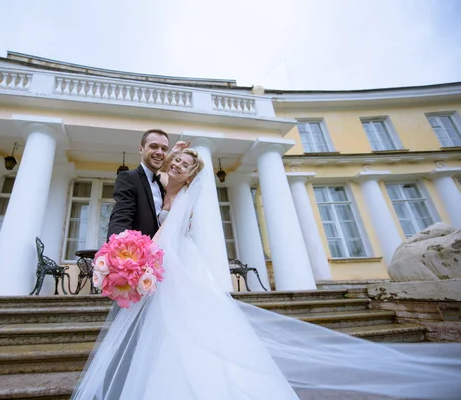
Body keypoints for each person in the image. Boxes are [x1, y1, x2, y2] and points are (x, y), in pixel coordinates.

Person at [74, 147, 461, 400]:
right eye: (176, 161)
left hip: (175, 261)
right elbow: (152, 175)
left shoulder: (185, 197)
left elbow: (165, 235)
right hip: (165, 261)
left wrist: (139, 258)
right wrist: (172, 154)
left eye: (185, 165)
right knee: (169, 329)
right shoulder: (154, 182)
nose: (176, 165)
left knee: (191, 326)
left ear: (192, 174)